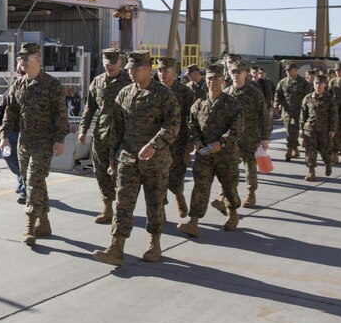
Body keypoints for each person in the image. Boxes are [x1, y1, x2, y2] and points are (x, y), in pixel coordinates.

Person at [92, 51, 179, 266]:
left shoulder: (164, 94)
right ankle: (116, 247)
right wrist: (113, 155)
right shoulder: (124, 93)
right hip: (128, 159)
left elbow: (172, 125)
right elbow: (117, 128)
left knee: (155, 203)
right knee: (123, 204)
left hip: (155, 160)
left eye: (135, 69)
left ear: (148, 70)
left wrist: (154, 144)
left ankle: (154, 242)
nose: (131, 72)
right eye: (129, 68)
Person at [0, 43, 68, 246]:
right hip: (24, 141)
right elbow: (9, 112)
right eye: (20, 58)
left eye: (26, 58)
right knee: (35, 183)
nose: (22, 62)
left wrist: (60, 139)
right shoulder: (18, 85)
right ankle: (44, 222)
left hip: (44, 142)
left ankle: (30, 225)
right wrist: (3, 136)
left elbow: (60, 114)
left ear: (37, 59)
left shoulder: (52, 85)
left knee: (32, 180)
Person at [178, 64, 243, 237]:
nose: (212, 82)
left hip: (226, 155)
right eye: (209, 78)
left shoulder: (232, 104)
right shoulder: (199, 104)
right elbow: (192, 125)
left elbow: (237, 129)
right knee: (200, 188)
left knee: (229, 187)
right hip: (205, 155)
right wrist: (197, 141)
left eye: (215, 78)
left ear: (222, 80)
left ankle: (233, 214)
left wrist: (222, 142)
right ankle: (193, 221)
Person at [78, 48, 130, 224]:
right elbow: (90, 107)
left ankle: (123, 211)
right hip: (101, 134)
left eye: (114, 64)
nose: (110, 67)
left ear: (120, 63)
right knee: (100, 171)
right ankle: (108, 207)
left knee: (122, 174)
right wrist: (83, 130)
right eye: (107, 64)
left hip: (124, 135)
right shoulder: (97, 82)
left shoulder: (129, 80)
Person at [214, 61, 269, 212]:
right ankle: (223, 196)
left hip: (250, 136)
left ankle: (251, 193)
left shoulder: (254, 93)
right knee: (227, 167)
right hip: (231, 138)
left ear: (245, 74)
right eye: (233, 72)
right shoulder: (226, 93)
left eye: (239, 72)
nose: (236, 75)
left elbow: (263, 115)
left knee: (250, 166)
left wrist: (264, 137)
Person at [157, 57, 194, 217]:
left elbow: (193, 118)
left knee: (176, 174)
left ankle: (179, 195)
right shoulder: (153, 90)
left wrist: (191, 140)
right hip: (158, 141)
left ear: (174, 72)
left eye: (166, 70)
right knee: (158, 176)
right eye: (159, 70)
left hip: (179, 141)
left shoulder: (185, 92)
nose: (162, 74)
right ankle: (161, 209)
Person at [0, 60, 27, 203]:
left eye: (22, 72)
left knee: (25, 162)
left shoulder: (38, 88)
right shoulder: (14, 86)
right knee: (7, 155)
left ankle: (25, 190)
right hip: (11, 130)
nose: (20, 75)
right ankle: (22, 179)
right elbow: (3, 104)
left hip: (27, 133)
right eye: (18, 72)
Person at [299, 71, 339, 181]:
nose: (318, 86)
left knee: (325, 151)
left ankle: (328, 163)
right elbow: (303, 114)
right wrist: (301, 128)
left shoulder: (330, 99)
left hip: (324, 130)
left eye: (320, 84)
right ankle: (311, 172)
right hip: (310, 129)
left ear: (325, 85)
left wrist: (332, 129)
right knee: (310, 151)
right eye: (316, 83)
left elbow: (334, 116)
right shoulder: (308, 98)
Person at [274, 62, 312, 161]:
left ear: (296, 70)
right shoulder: (282, 82)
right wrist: (276, 106)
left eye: (290, 70)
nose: (288, 72)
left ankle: (290, 149)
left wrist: (308, 110)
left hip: (299, 112)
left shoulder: (303, 82)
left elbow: (309, 97)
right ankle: (295, 149)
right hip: (286, 111)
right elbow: (278, 95)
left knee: (294, 131)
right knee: (288, 130)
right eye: (287, 71)